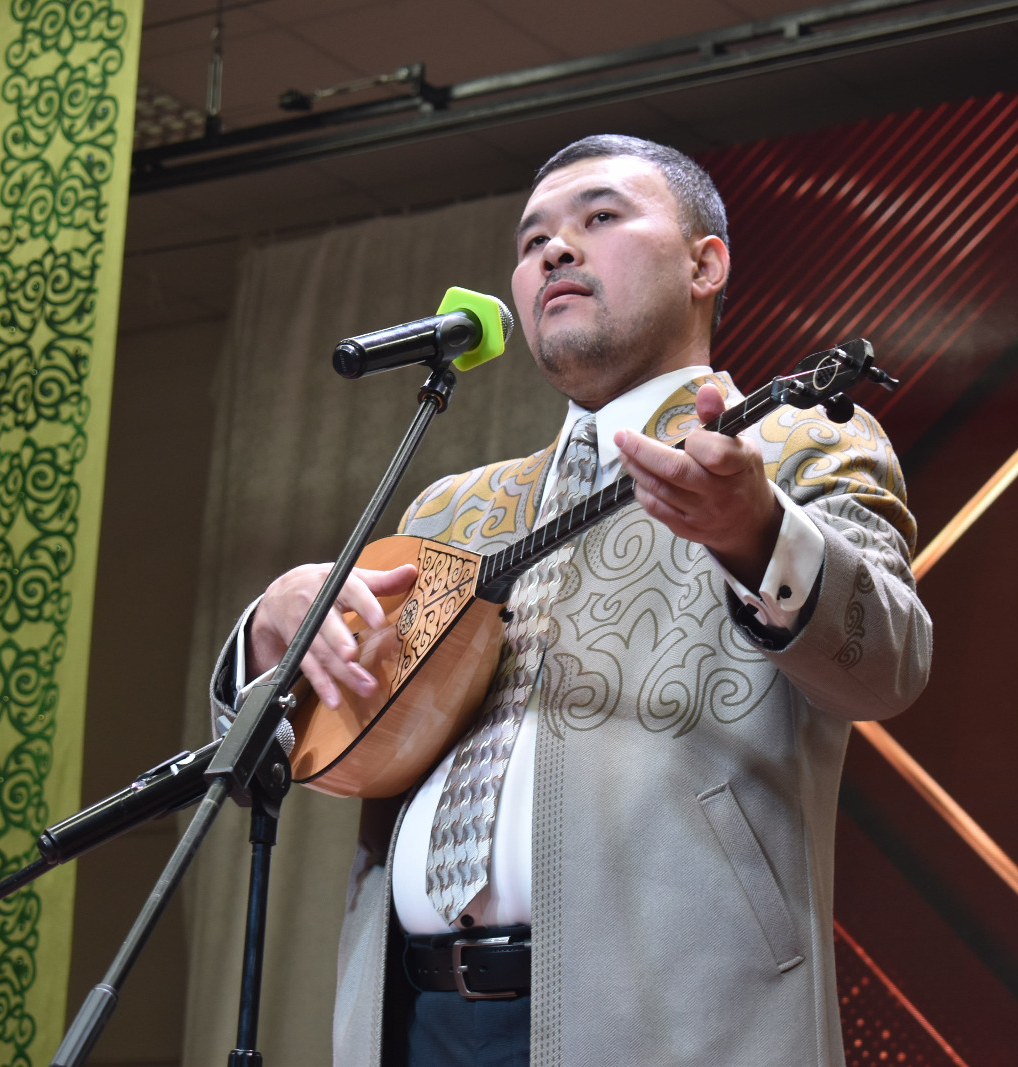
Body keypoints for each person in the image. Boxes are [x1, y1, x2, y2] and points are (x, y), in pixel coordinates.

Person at [209, 135, 931, 1067]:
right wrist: (273, 635)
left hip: (673, 1021)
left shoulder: (799, 442)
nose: (554, 249)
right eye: (531, 239)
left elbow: (889, 664)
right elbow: (279, 762)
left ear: (706, 264)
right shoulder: (452, 510)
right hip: (414, 1016)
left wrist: (758, 533)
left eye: (601, 216)